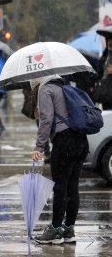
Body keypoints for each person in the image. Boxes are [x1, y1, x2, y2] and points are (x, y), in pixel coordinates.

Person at [29, 74, 89, 244]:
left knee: (60, 187)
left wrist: (39, 146)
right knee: (72, 186)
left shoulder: (45, 89)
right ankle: (69, 230)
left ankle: (55, 230)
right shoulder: (66, 87)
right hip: (81, 140)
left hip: (64, 141)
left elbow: (46, 120)